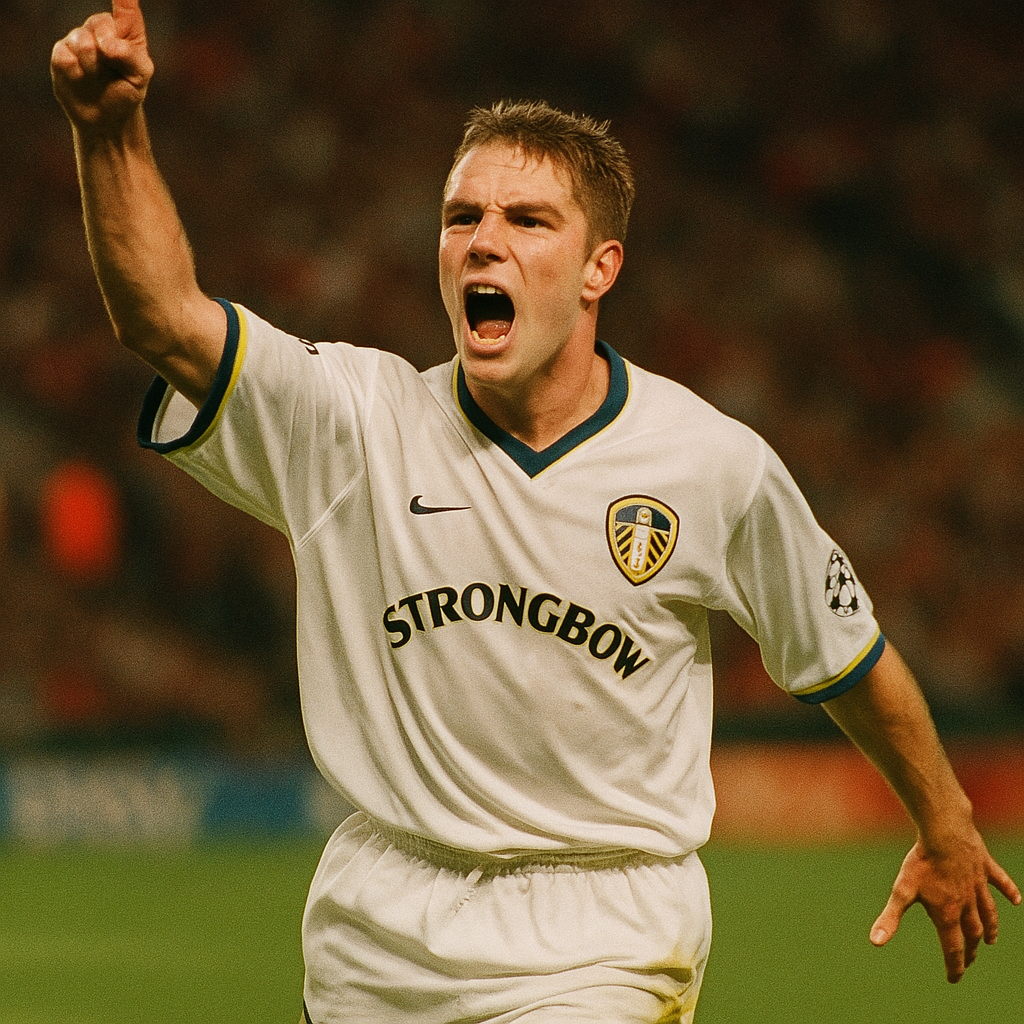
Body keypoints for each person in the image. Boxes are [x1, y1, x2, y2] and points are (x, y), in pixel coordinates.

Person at [52, 3, 1020, 1022]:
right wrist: (108, 132)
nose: (484, 242)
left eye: (527, 220)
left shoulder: (708, 463)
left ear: (601, 267)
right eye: (461, 216)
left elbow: (843, 651)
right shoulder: (353, 423)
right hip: (378, 926)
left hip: (601, 932)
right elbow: (162, 318)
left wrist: (945, 820)